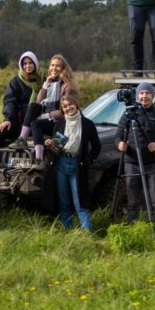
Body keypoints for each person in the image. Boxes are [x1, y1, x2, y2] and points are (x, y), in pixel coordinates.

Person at [116, 81, 155, 235]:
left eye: (147, 93)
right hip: (132, 163)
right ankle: (133, 233)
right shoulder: (128, 115)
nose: (144, 96)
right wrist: (119, 144)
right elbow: (118, 136)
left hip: (153, 163)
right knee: (133, 202)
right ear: (137, 95)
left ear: (152, 96)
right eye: (141, 93)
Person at [41, 94, 101, 231]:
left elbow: (96, 146)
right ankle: (68, 232)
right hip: (61, 163)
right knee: (64, 202)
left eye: (70, 105)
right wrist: (48, 142)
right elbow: (55, 143)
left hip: (78, 165)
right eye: (65, 106)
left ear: (76, 105)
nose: (68, 108)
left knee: (80, 202)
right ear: (62, 109)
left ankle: (87, 233)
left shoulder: (88, 124)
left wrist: (88, 161)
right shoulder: (60, 122)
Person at [9, 54, 79, 161]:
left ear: (63, 69)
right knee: (33, 107)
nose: (54, 68)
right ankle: (22, 139)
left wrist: (45, 116)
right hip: (49, 120)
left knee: (35, 123)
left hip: (61, 122)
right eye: (52, 65)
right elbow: (38, 103)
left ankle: (39, 159)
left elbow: (66, 111)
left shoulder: (68, 86)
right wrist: (45, 85)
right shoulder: (50, 83)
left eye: (58, 66)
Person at [0, 51, 43, 147]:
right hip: (20, 122)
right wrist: (8, 119)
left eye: (30, 63)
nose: (27, 66)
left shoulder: (43, 80)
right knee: (0, 132)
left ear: (35, 64)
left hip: (38, 122)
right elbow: (9, 102)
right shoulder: (16, 82)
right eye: (25, 64)